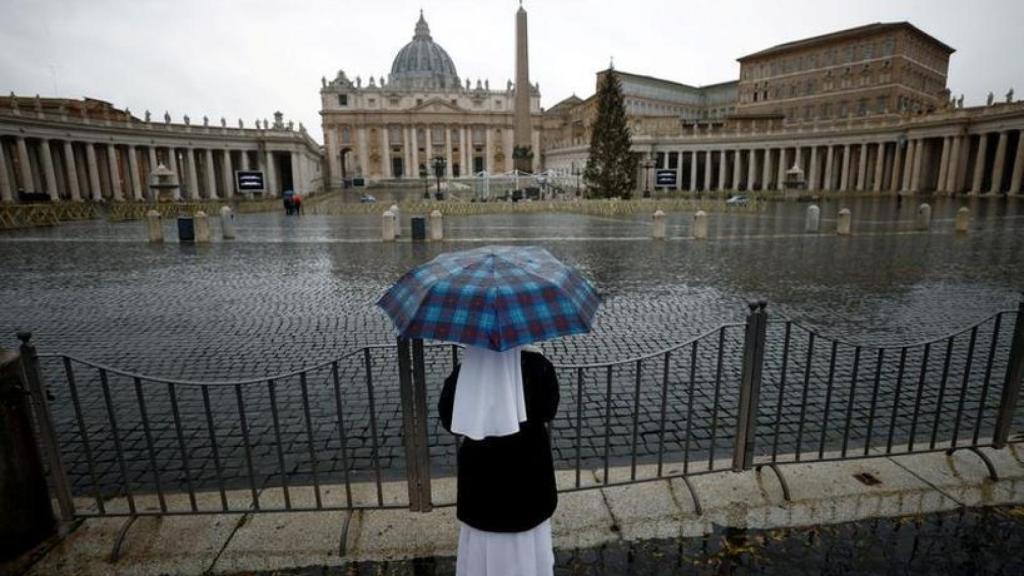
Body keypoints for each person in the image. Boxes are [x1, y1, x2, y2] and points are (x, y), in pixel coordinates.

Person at [439, 345, 559, 576]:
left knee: (481, 551)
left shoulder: (467, 370)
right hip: (528, 474)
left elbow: (449, 419)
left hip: (482, 478)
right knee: (529, 549)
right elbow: (548, 410)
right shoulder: (537, 365)